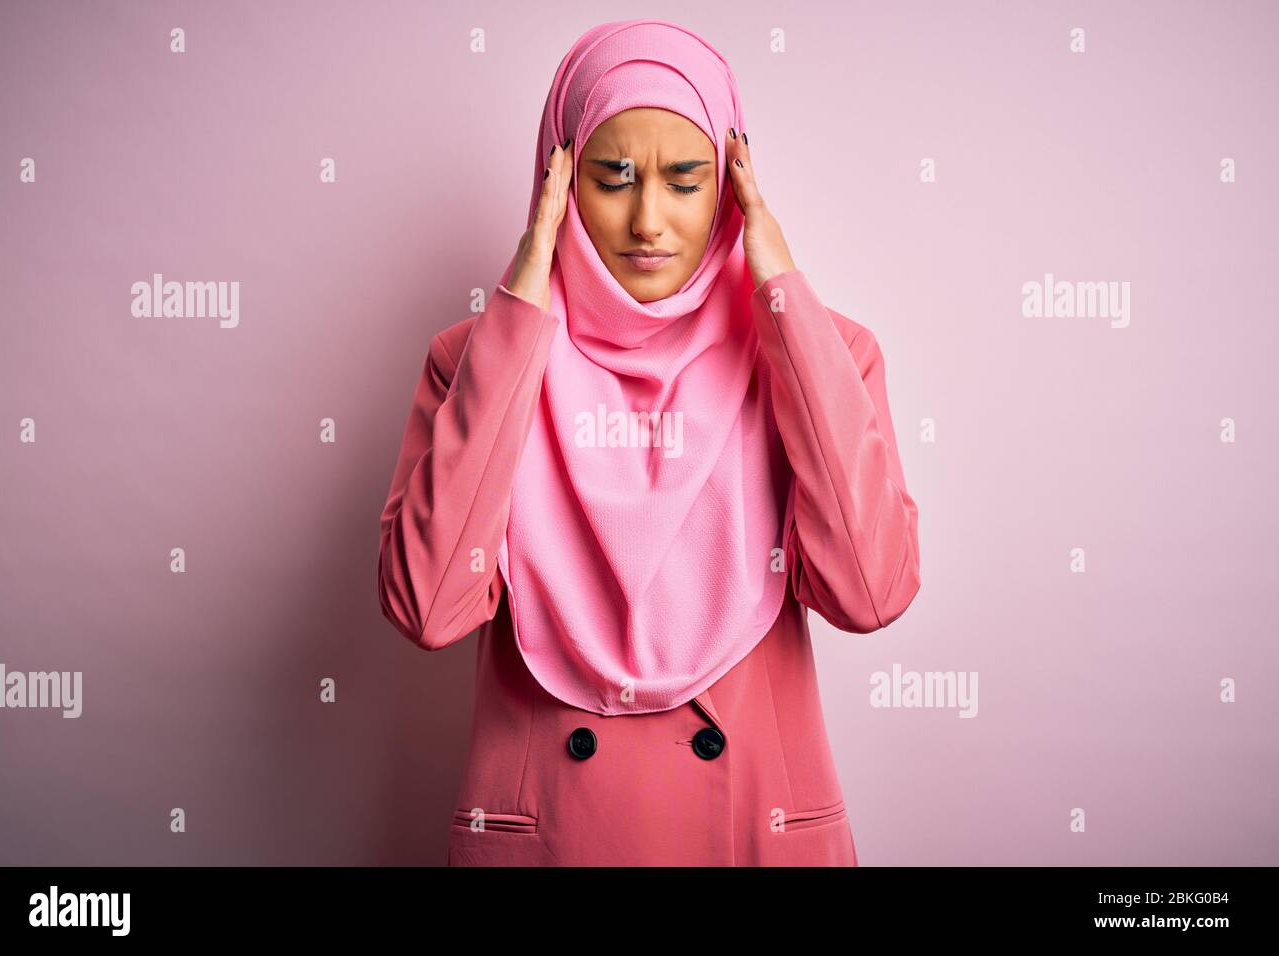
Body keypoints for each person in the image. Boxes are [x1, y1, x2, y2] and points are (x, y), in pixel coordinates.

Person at [377, 18, 921, 866]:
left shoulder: (826, 355)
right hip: (551, 836)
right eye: (613, 176)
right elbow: (427, 607)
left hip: (755, 833)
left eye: (684, 178)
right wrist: (519, 323)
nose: (648, 220)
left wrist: (782, 300)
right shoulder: (473, 362)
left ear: (731, 189)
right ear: (557, 180)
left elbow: (871, 593)